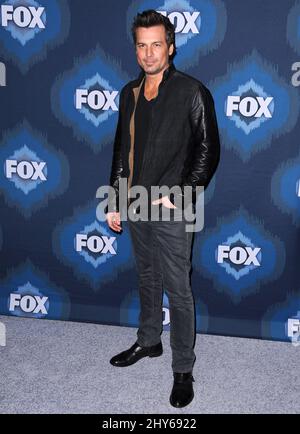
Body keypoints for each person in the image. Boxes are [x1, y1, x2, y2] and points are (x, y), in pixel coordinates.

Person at [105, 9, 220, 408]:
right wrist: (115, 199)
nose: (149, 53)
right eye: (142, 45)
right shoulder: (128, 93)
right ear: (135, 49)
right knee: (148, 278)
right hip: (135, 202)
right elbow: (122, 151)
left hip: (174, 206)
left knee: (179, 290)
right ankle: (149, 341)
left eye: (157, 44)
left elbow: (209, 150)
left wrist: (181, 193)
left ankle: (183, 369)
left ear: (170, 46)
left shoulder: (192, 91)